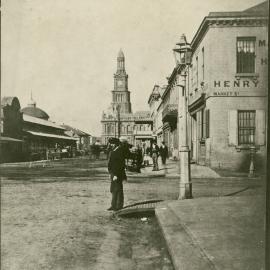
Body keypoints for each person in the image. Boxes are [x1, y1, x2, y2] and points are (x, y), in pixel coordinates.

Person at [107, 137, 127, 211]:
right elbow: (111, 163)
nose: (110, 145)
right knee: (113, 189)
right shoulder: (114, 150)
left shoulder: (119, 150)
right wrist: (110, 173)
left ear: (115, 144)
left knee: (118, 189)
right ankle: (113, 205)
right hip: (113, 173)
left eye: (111, 144)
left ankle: (119, 206)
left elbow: (119, 164)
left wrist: (115, 174)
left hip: (117, 173)